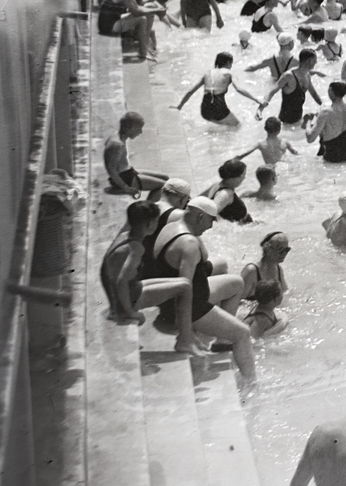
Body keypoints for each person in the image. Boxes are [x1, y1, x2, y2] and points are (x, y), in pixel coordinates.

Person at [146, 197, 254, 378]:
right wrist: (186, 335)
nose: (210, 227)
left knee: (236, 283)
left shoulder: (171, 227)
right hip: (188, 307)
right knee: (243, 333)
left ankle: (222, 340)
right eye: (211, 221)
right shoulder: (189, 244)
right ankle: (252, 384)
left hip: (175, 299)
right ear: (200, 216)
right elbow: (183, 290)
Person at [100, 201, 191, 334]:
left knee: (185, 282)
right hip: (124, 301)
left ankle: (182, 327)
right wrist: (131, 313)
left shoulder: (124, 235)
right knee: (185, 287)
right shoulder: (136, 248)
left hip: (122, 293)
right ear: (149, 224)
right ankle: (186, 336)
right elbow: (121, 282)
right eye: (156, 221)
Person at [103, 110, 169, 197]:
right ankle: (146, 204)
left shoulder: (117, 136)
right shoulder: (118, 145)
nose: (140, 132)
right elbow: (111, 169)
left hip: (128, 172)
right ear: (129, 128)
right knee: (166, 186)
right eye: (138, 128)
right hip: (125, 178)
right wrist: (126, 188)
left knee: (165, 177)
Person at [309, 82, 346, 162]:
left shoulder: (325, 112)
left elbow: (310, 139)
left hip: (332, 158)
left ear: (331, 91)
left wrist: (308, 121)